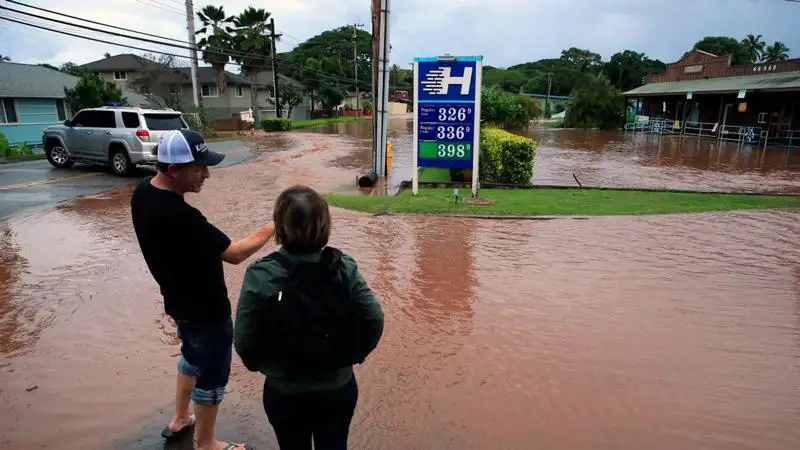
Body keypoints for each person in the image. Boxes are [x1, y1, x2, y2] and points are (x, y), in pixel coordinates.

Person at [131, 129, 274, 450]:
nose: (207, 174)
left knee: (191, 356)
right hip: (207, 311)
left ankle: (180, 418)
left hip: (178, 303)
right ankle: (206, 443)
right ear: (173, 170)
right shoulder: (182, 216)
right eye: (199, 168)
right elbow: (235, 253)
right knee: (211, 375)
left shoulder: (143, 193)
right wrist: (272, 226)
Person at [234, 185, 384, 450]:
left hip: (284, 391)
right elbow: (374, 319)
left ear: (279, 227)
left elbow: (244, 339)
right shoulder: (343, 267)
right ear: (325, 224)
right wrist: (354, 355)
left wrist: (266, 367)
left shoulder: (261, 274)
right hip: (337, 387)